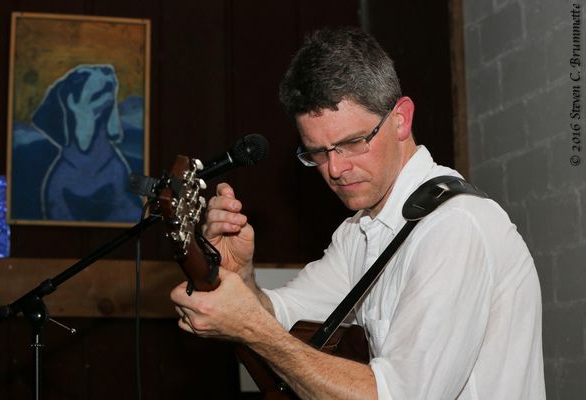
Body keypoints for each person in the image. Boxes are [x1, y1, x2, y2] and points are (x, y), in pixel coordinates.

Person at [171, 27, 545, 399]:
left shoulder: (455, 228)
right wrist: (241, 279)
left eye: (351, 143)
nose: (334, 169)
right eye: (318, 152)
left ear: (401, 119)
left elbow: (398, 395)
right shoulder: (360, 230)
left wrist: (253, 329)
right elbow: (283, 314)